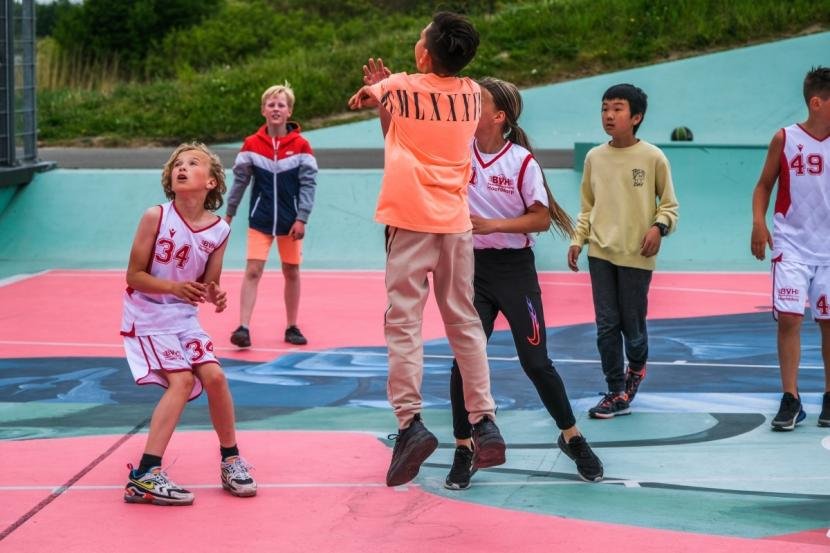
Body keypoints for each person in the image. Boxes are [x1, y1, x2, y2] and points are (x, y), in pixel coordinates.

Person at [348, 11, 506, 487]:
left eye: (420, 38)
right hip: (455, 226)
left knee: (404, 324)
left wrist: (373, 90)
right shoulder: (473, 94)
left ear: (423, 52)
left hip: (410, 222)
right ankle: (483, 420)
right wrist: (385, 96)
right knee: (463, 321)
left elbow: (369, 99)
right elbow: (399, 132)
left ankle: (409, 424)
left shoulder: (399, 85)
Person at [445, 77, 603, 490]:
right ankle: (465, 447)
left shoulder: (521, 162)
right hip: (471, 269)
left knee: (536, 361)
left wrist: (492, 224)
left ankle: (572, 437)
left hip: (515, 271)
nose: (469, 107)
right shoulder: (459, 152)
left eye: (476, 102)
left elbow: (541, 217)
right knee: (465, 360)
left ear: (498, 117)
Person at [120, 143, 256, 505]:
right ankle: (146, 474)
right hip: (148, 313)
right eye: (177, 164)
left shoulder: (219, 231)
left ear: (211, 181)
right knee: (180, 381)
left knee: (214, 377)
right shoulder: (156, 217)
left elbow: (208, 284)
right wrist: (173, 288)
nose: (182, 168)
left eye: (192, 164)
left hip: (182, 316)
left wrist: (216, 296)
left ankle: (231, 460)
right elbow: (134, 276)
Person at [568, 83, 679, 419]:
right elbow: (588, 206)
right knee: (605, 324)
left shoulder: (652, 157)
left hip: (636, 255)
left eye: (617, 108)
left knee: (632, 325)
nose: (609, 115)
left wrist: (658, 228)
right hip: (600, 253)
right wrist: (578, 239)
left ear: (636, 117)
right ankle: (615, 390)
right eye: (604, 108)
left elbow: (670, 206)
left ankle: (638, 367)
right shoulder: (594, 158)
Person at [750, 66, 830, 431]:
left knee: (828, 322)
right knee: (790, 318)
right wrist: (758, 221)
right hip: (793, 244)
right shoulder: (785, 139)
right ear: (817, 103)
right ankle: (791, 398)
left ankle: (829, 395)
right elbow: (764, 185)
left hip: (828, 249)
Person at [225, 83, 318, 348]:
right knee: (253, 270)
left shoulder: (301, 145)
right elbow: (240, 182)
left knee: (291, 271)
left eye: (281, 104)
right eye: (271, 104)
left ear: (289, 111)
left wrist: (302, 218)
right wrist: (229, 214)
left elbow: (309, 184)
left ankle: (292, 326)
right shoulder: (251, 144)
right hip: (260, 221)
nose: (276, 108)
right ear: (263, 110)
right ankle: (242, 327)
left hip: (291, 223)